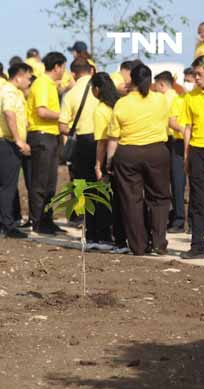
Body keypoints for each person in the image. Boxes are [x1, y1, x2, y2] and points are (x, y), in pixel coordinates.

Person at [106, 64, 170, 256]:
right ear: (150, 81)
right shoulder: (160, 100)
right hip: (156, 152)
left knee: (131, 200)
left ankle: (138, 246)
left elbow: (113, 138)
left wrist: (110, 160)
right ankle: (159, 242)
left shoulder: (122, 104)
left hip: (128, 154)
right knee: (159, 198)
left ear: (131, 80)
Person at [59, 58, 112, 250]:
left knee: (87, 191)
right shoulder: (102, 88)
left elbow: (62, 126)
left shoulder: (70, 94)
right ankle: (106, 236)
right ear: (91, 70)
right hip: (103, 141)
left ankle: (91, 237)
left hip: (83, 144)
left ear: (73, 73)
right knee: (104, 189)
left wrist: (74, 130)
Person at [0, 62, 32, 238]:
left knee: (2, 185)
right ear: (19, 77)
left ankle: (0, 223)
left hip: (0, 142)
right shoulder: (9, 92)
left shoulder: (7, 90)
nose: (29, 82)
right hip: (5, 142)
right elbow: (9, 113)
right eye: (28, 78)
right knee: (7, 186)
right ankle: (7, 225)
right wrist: (19, 140)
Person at [26, 51, 68, 235]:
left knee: (50, 182)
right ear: (57, 67)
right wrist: (65, 116)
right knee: (41, 182)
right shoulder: (42, 83)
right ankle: (37, 221)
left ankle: (47, 219)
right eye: (63, 67)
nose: (64, 71)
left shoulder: (50, 84)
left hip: (51, 135)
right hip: (41, 135)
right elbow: (42, 112)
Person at [180, 56, 204, 259]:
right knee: (198, 202)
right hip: (198, 153)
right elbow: (187, 127)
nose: (196, 77)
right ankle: (197, 247)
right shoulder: (190, 97)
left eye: (199, 73)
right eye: (194, 74)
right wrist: (186, 156)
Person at [91, 72, 128, 254]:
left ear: (96, 89)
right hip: (128, 155)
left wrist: (99, 166)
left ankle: (116, 239)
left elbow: (102, 142)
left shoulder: (100, 110)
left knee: (110, 201)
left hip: (111, 158)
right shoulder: (121, 103)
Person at [154, 71, 186, 233]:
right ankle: (177, 218)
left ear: (161, 84)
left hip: (173, 142)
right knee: (176, 182)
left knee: (175, 181)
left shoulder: (165, 99)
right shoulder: (178, 97)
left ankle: (178, 220)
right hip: (177, 143)